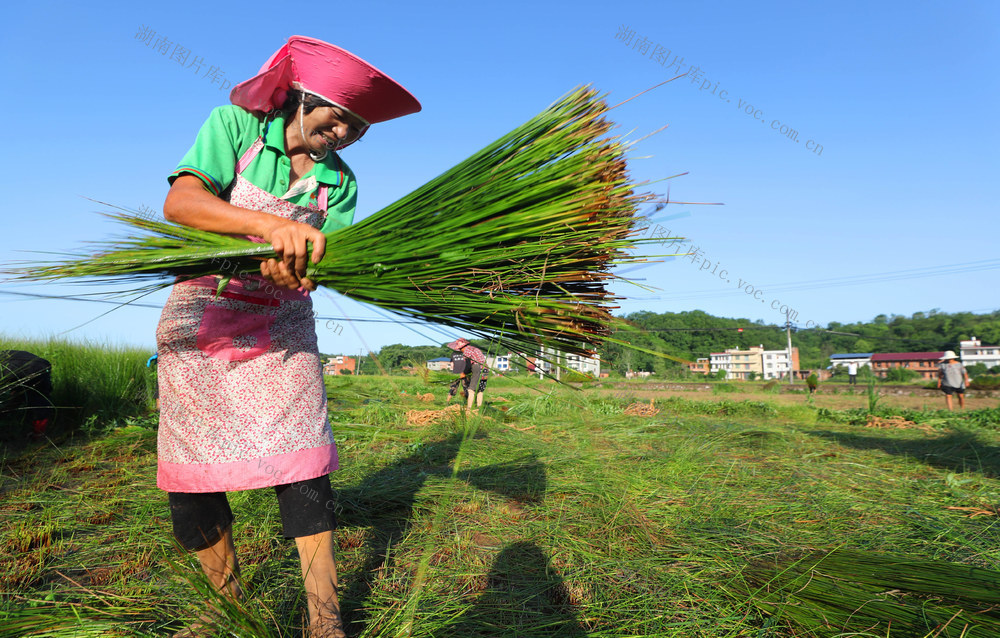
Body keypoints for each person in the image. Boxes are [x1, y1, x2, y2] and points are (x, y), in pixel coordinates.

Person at [155, 36, 419, 638]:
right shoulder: (237, 129)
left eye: (358, 127)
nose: (345, 133)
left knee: (303, 465)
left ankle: (324, 620)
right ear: (305, 97)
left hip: (282, 329)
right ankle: (224, 607)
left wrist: (300, 271)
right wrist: (268, 227)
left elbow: (326, 266)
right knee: (195, 472)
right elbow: (183, 201)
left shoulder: (340, 183)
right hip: (204, 320)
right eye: (339, 116)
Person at [0, 350, 54, 440]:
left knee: (35, 400)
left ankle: (36, 434)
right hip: (42, 365)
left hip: (17, 369)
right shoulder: (7, 353)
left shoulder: (5, 360)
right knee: (40, 401)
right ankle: (38, 434)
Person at [446, 339, 488, 410]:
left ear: (462, 347)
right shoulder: (475, 349)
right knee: (480, 389)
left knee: (471, 389)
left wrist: (463, 373)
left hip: (477, 367)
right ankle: (479, 407)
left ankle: (469, 408)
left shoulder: (467, 351)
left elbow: (467, 364)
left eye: (460, 349)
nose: (460, 350)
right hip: (485, 369)